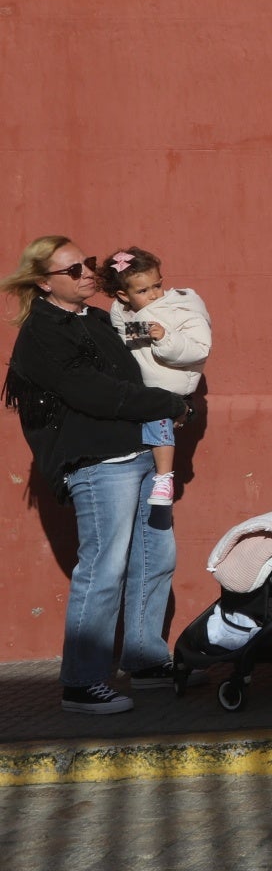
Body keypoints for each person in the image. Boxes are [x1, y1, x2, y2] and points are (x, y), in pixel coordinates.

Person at [2, 236, 190, 713]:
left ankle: (145, 659)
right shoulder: (44, 331)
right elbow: (94, 393)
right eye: (73, 270)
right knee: (104, 568)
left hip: (142, 453)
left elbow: (132, 376)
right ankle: (81, 683)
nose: (88, 273)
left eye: (86, 263)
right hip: (99, 464)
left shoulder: (101, 320)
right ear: (44, 283)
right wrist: (169, 404)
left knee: (155, 557)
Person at [97, 246, 212, 507]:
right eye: (143, 291)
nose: (154, 295)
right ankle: (152, 481)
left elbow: (198, 349)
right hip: (142, 386)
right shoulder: (122, 313)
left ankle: (164, 477)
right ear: (123, 295)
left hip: (169, 384)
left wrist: (165, 338)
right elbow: (125, 339)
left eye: (157, 286)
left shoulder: (182, 307)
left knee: (159, 416)